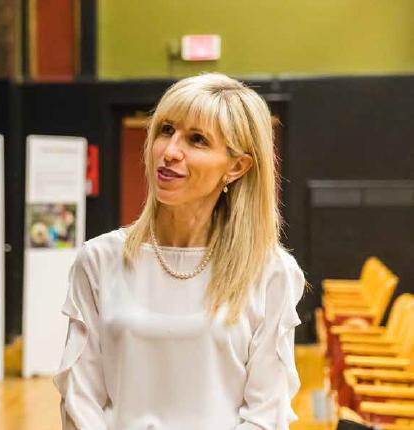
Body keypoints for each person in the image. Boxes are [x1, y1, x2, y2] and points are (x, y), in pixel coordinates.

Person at [54, 73, 305, 430]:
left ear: (236, 167)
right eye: (165, 130)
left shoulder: (271, 272)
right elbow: (81, 399)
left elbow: (266, 413)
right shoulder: (98, 260)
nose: (170, 151)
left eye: (197, 139)